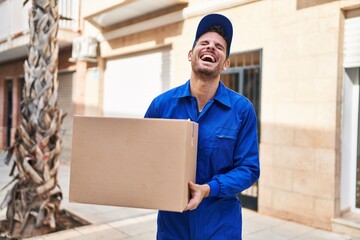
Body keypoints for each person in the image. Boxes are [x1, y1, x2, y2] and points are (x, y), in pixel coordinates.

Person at [144, 13, 260, 240]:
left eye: (219, 46)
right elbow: (143, 156)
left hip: (220, 228)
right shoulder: (162, 105)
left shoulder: (242, 110)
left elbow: (249, 169)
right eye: (204, 43)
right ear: (190, 54)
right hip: (173, 227)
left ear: (226, 63)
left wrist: (208, 189)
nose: (211, 48)